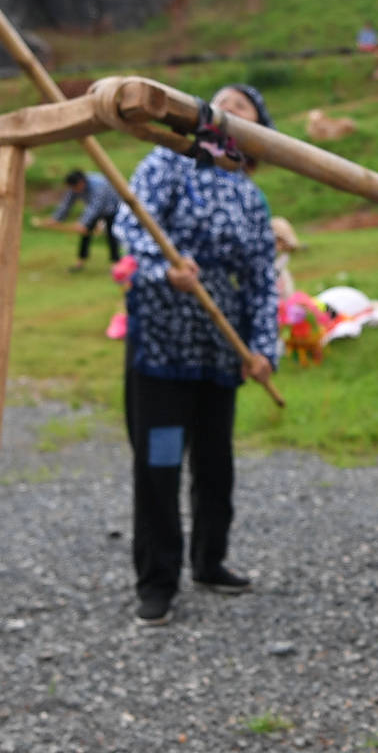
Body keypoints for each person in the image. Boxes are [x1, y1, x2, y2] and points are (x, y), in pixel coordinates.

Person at [113, 84, 282, 623]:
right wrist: (166, 269)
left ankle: (210, 561)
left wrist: (261, 350)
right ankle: (157, 582)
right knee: (160, 463)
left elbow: (261, 279)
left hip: (219, 354)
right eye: (221, 102)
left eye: (243, 106)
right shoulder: (167, 164)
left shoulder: (249, 195)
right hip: (162, 350)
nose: (229, 107)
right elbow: (128, 226)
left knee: (215, 465)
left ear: (256, 130)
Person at [53, 165, 121, 264]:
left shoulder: (98, 184)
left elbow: (95, 206)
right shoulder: (75, 186)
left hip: (111, 208)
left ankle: (116, 261)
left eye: (75, 187)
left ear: (81, 182)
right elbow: (67, 203)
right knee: (85, 233)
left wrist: (83, 222)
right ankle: (81, 260)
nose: (74, 190)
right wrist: (57, 218)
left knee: (111, 234)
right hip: (95, 209)